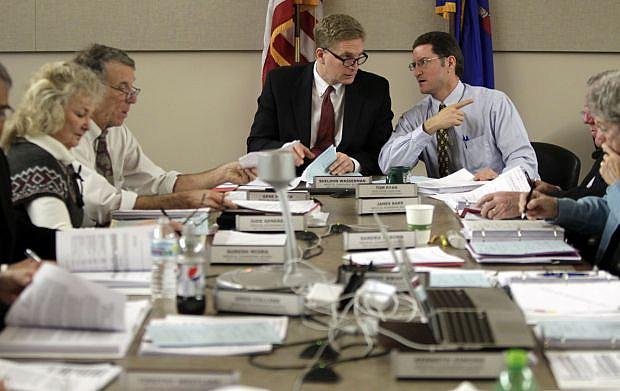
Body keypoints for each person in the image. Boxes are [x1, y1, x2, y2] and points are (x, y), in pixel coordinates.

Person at [72, 44, 251, 226]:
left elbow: (156, 183)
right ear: (90, 89)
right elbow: (100, 202)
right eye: (123, 88)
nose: (133, 99)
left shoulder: (117, 132)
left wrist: (221, 174)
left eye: (132, 90)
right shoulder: (67, 136)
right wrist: (182, 201)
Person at [246, 13, 393, 176]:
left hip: (348, 185)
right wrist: (283, 151)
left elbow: (384, 151)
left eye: (359, 57)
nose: (355, 66)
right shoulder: (281, 83)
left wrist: (354, 163)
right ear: (321, 55)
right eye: (347, 58)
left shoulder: (375, 88)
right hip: (294, 183)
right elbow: (256, 144)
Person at [378, 31, 537, 180]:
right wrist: (427, 128)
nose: (417, 72)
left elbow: (524, 161)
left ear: (449, 62)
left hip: (488, 201)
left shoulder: (493, 103)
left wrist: (500, 181)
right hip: (438, 205)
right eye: (414, 65)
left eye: (423, 63)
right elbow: (388, 167)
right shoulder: (414, 117)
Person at [477, 70, 615, 220]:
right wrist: (554, 193)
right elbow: (593, 199)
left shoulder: (613, 157)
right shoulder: (607, 152)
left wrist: (543, 203)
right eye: (586, 112)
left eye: (596, 113)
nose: (586, 120)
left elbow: (603, 215)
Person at [521, 70, 620, 272]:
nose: (598, 139)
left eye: (603, 127)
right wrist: (557, 208)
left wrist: (618, 186)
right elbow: (608, 213)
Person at [1, 61, 104, 230]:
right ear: (51, 110)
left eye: (89, 116)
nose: (87, 125)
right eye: (80, 114)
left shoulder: (50, 157)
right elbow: (58, 239)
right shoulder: (37, 163)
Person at [0, 62, 56, 262]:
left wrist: (90, 245)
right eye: (80, 113)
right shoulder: (35, 160)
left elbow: (16, 232)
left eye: (1, 112)